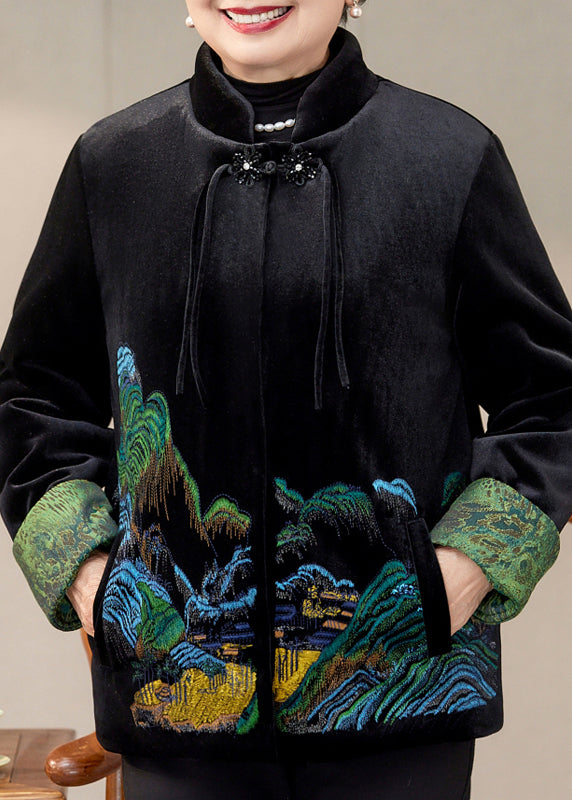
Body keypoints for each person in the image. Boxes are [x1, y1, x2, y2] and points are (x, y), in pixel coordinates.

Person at [1, 1, 571, 798]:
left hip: (400, 704)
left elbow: (552, 399)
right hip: (176, 713)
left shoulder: (449, 157)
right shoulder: (113, 165)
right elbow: (32, 401)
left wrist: (459, 574)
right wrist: (95, 581)